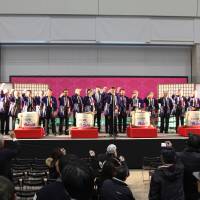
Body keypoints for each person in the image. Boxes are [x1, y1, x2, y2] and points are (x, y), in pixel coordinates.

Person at [177, 133, 200, 200]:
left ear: (187, 144)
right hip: (195, 193)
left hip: (182, 191)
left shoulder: (178, 156)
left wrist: (170, 149)